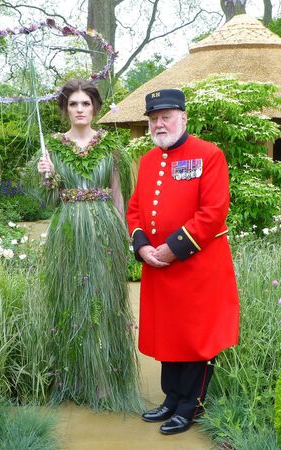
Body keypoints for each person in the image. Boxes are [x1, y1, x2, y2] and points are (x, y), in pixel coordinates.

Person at [126, 88, 239, 434]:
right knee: (168, 336)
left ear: (183, 118)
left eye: (166, 117)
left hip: (197, 268)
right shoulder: (146, 161)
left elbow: (213, 213)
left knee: (196, 339)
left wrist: (172, 248)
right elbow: (135, 211)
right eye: (154, 119)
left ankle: (190, 407)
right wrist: (142, 246)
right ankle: (172, 399)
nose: (159, 124)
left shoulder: (209, 155)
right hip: (159, 268)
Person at [33, 79, 141, 412]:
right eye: (73, 104)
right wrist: (47, 177)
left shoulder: (111, 147)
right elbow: (49, 201)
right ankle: (73, 378)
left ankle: (106, 380)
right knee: (71, 299)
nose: (80, 110)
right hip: (68, 229)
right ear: (65, 109)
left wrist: (124, 235)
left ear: (94, 107)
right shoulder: (51, 148)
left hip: (104, 228)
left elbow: (119, 194)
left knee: (104, 300)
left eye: (86, 104)